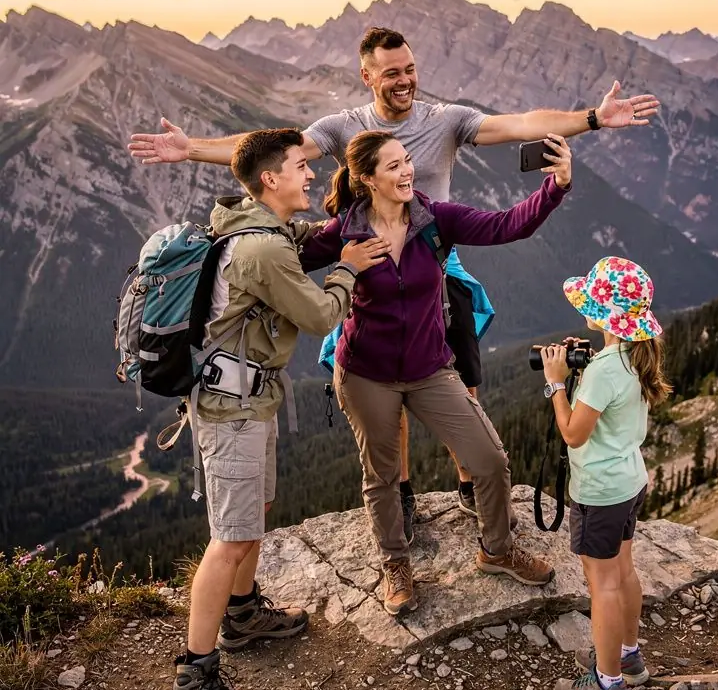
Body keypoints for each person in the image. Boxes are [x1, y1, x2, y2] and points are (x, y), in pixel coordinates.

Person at [128, 26, 660, 527]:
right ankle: (399, 493)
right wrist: (192, 149)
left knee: (458, 373)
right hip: (368, 260)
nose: (405, 80)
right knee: (382, 380)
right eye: (392, 72)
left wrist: (593, 118)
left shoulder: (444, 118)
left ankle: (471, 484)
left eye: (410, 68)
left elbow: (518, 123)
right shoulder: (343, 128)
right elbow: (273, 152)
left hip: (435, 257)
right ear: (368, 77)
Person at [296, 127, 573, 616]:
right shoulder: (345, 231)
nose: (407, 171)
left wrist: (555, 187)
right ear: (366, 180)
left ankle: (497, 550)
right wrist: (339, 260)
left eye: (408, 162)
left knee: (488, 460)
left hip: (429, 368)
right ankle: (395, 564)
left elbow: (506, 225)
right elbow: (285, 261)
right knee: (382, 476)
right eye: (394, 166)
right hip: (365, 374)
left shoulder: (433, 219)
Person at [171, 128, 388, 690]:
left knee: (254, 515)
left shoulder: (253, 225)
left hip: (248, 395)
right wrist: (346, 269)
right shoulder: (262, 248)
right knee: (230, 539)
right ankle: (194, 679)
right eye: (300, 166)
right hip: (232, 407)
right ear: (271, 178)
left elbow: (301, 241)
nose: (311, 174)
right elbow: (319, 315)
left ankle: (241, 616)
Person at [536, 257, 671, 690]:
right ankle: (627, 657)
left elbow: (574, 433)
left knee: (603, 585)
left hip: (600, 491)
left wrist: (556, 385)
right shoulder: (633, 354)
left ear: (604, 313)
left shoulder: (603, 370)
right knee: (625, 571)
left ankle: (607, 686)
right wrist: (581, 366)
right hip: (630, 481)